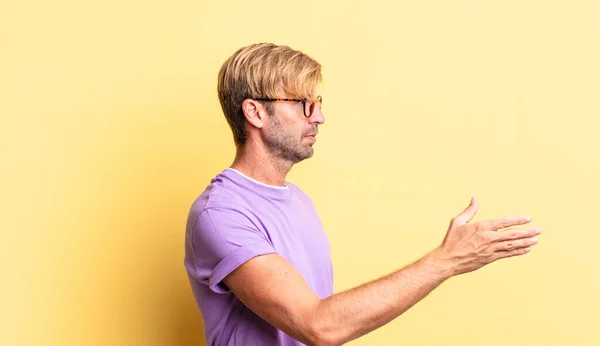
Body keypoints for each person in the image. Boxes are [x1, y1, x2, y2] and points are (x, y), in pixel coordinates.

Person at [184, 42, 541, 346]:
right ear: (255, 112)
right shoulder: (220, 215)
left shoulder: (298, 200)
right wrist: (446, 260)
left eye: (318, 102)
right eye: (302, 103)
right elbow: (318, 325)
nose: (319, 117)